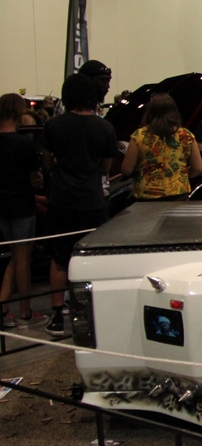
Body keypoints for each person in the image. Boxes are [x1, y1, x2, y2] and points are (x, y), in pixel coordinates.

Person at [43, 74, 120, 336]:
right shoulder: (104, 127)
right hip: (92, 199)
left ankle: (56, 316)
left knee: (59, 258)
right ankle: (92, 313)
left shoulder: (53, 125)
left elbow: (47, 163)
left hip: (61, 198)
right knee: (92, 257)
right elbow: (106, 168)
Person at [0, 93, 45, 329]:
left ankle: (3, 307)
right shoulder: (23, 144)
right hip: (22, 206)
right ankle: (25, 311)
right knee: (23, 259)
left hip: (2, 207)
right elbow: (35, 176)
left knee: (15, 257)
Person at [120, 93, 202, 201]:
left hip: (146, 197)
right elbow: (198, 169)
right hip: (178, 195)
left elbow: (126, 170)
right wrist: (181, 178)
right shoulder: (186, 135)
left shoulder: (139, 136)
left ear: (150, 112)